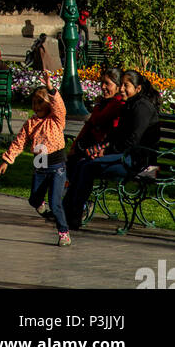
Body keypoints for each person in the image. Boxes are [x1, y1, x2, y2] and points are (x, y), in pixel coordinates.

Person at [65, 70, 162, 232]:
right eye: (121, 84)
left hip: (140, 162)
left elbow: (132, 141)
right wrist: (100, 148)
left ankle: (72, 216)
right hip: (125, 155)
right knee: (83, 163)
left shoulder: (142, 108)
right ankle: (67, 212)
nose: (122, 89)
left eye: (126, 85)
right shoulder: (129, 105)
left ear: (138, 89)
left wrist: (105, 152)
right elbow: (116, 136)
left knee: (89, 166)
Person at [0, 71, 71, 245]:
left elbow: (59, 106)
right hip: (40, 162)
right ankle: (41, 205)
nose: (36, 106)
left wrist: (50, 87)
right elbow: (19, 142)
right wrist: (7, 160)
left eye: (41, 102)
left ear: (49, 105)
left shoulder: (56, 120)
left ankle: (63, 232)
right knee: (33, 199)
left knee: (55, 203)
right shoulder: (30, 123)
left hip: (56, 164)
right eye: (34, 102)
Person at [66, 69, 124, 187]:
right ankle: (75, 198)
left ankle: (77, 200)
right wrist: (74, 146)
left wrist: (97, 106)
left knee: (80, 164)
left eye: (107, 83)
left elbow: (99, 120)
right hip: (92, 145)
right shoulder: (106, 102)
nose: (103, 87)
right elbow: (89, 125)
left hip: (103, 149)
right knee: (72, 161)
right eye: (102, 83)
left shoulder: (117, 103)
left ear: (118, 87)